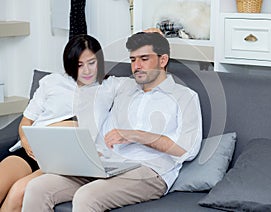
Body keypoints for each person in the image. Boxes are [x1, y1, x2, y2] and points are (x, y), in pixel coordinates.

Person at [22, 32, 203, 212]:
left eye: (144, 59)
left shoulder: (185, 97)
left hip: (150, 170)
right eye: (133, 60)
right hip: (106, 164)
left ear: (163, 60)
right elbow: (83, 86)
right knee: (36, 188)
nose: (136, 66)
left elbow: (187, 149)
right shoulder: (122, 86)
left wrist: (136, 135)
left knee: (86, 197)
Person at [0, 34, 112, 212]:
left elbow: (146, 75)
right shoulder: (51, 82)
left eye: (91, 63)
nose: (87, 71)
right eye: (79, 65)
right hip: (32, 150)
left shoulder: (110, 87)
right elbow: (26, 120)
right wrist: (27, 142)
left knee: (18, 192)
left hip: (64, 158)